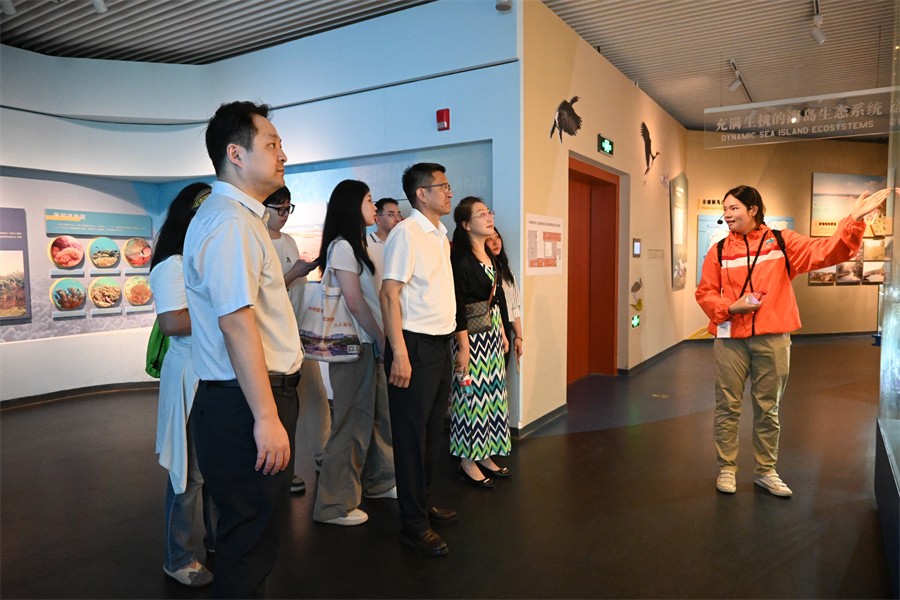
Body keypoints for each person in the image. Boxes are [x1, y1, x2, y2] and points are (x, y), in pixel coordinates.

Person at [695, 184, 894, 498]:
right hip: (730, 338)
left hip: (772, 339)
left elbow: (828, 251)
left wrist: (854, 220)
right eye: (725, 209)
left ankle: (765, 471)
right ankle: (727, 468)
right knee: (727, 406)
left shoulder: (781, 242)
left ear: (753, 210)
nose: (727, 214)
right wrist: (730, 308)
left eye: (733, 208)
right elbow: (705, 292)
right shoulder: (718, 251)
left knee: (768, 408)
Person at [183, 101, 303, 598]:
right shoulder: (230, 221)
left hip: (244, 398)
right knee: (248, 544)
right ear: (236, 154)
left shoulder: (239, 218)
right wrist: (266, 417)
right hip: (244, 401)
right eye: (272, 144)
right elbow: (236, 323)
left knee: (251, 537)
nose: (283, 155)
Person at [379, 162, 458, 556]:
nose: (449, 191)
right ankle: (412, 524)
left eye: (448, 184)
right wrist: (400, 353)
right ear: (421, 194)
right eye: (441, 186)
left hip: (439, 345)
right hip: (414, 346)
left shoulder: (439, 235)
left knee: (430, 434)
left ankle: (422, 505)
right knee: (410, 438)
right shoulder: (407, 233)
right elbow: (388, 294)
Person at [312, 179, 396, 526]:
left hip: (367, 344)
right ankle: (334, 505)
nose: (374, 207)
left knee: (376, 417)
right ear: (351, 205)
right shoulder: (343, 247)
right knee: (350, 425)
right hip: (355, 346)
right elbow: (355, 302)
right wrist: (381, 338)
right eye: (369, 200)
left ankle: (379, 481)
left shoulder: (359, 244)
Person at [149, 182, 217, 587]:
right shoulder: (171, 265)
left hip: (212, 372)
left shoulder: (198, 259)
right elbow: (172, 322)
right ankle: (177, 557)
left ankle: (216, 541)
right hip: (189, 375)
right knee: (187, 474)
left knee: (214, 468)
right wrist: (226, 312)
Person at [262, 186, 332, 495]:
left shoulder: (288, 240)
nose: (284, 215)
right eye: (279, 209)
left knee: (315, 397)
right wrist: (293, 273)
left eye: (288, 209)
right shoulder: (256, 241)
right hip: (271, 339)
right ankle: (282, 469)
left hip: (299, 333)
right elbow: (261, 294)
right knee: (280, 408)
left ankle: (322, 456)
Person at [450, 197, 512, 487]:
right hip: (470, 339)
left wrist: (503, 333)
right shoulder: (461, 260)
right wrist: (463, 348)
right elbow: (458, 306)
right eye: (481, 214)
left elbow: (495, 300)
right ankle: (467, 460)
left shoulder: (489, 253)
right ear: (465, 224)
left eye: (489, 212)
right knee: (471, 400)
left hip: (492, 332)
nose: (489, 218)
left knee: (493, 396)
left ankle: (485, 453)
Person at [486, 226, 524, 367]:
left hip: (506, 329)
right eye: (489, 239)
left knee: (502, 374)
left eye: (497, 237)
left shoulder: (506, 271)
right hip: (489, 330)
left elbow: (514, 307)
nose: (495, 242)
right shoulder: (483, 271)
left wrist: (518, 336)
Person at [367, 198, 402, 286]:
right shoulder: (366, 244)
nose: (398, 219)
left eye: (399, 214)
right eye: (391, 215)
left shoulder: (402, 242)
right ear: (378, 219)